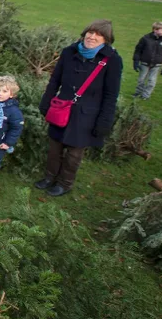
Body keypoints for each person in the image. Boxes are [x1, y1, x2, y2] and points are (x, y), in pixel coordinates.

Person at [37, 19, 123, 197]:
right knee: (55, 147)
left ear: (106, 39)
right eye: (89, 32)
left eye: (98, 34)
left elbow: (110, 95)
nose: (92, 37)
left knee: (74, 153)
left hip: (87, 114)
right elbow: (55, 80)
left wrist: (104, 121)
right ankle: (49, 177)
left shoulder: (112, 60)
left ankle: (65, 183)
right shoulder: (69, 52)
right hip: (62, 107)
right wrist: (46, 101)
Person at [133, 21, 162, 99]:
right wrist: (136, 61)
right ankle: (138, 93)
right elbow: (138, 50)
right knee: (141, 80)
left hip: (157, 64)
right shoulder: (145, 38)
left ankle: (146, 95)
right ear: (155, 29)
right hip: (144, 63)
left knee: (151, 81)